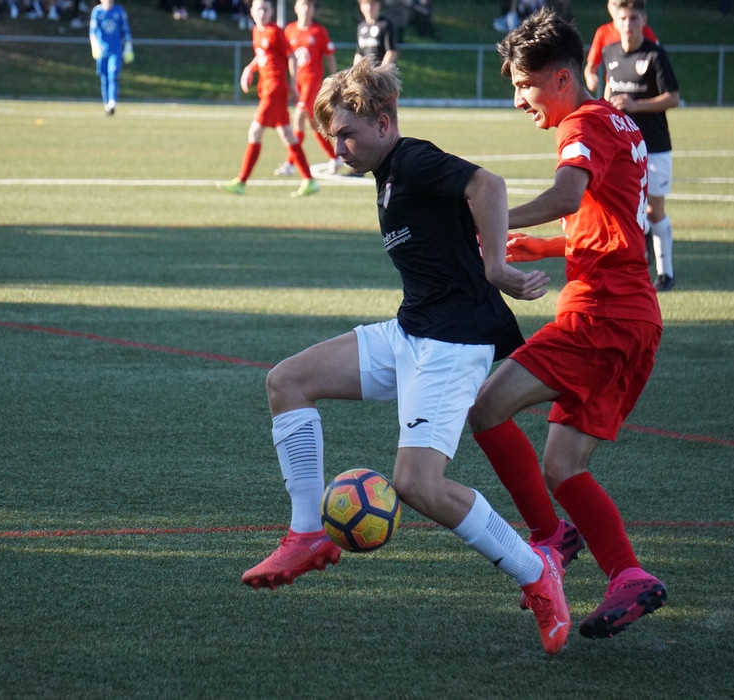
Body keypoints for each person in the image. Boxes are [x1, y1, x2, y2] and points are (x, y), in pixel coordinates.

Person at [242, 56, 571, 656]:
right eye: (332, 137)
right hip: (412, 332)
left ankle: (537, 572)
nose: (338, 147)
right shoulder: (388, 172)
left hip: (452, 344)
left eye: (347, 133)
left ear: (384, 122)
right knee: (287, 382)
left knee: (417, 484)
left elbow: (488, 185)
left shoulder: (411, 158)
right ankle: (307, 534)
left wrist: (496, 268)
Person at [468, 7, 667, 640]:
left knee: (486, 408)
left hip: (601, 316)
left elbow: (567, 196)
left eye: (524, 85)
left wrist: (492, 221)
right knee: (563, 466)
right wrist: (547, 247)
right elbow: (612, 224)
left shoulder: (582, 122)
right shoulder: (617, 120)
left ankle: (549, 537)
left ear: (561, 77)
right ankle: (629, 575)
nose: (518, 100)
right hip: (633, 316)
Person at [603, 0, 679, 292]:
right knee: (625, 208)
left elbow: (673, 97)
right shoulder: (609, 52)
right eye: (623, 18)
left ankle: (665, 273)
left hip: (654, 145)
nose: (628, 24)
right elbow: (609, 91)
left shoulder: (655, 54)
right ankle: (634, 269)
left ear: (643, 20)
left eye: (634, 18)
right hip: (621, 147)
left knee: (653, 209)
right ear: (616, 20)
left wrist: (636, 105)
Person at [217, 0, 319, 198]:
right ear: (252, 12)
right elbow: (263, 55)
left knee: (255, 131)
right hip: (267, 88)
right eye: (259, 9)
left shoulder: (274, 32)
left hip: (275, 89)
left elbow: (291, 56)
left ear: (271, 12)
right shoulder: (257, 30)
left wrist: (292, 84)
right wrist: (249, 69)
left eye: (266, 9)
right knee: (287, 135)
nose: (262, 13)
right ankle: (309, 180)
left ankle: (241, 181)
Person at [274, 0, 341, 177]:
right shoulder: (289, 30)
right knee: (313, 124)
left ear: (313, 10)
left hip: (312, 81)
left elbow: (330, 57)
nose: (305, 8)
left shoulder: (319, 31)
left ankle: (290, 163)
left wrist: (334, 80)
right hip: (296, 82)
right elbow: (284, 56)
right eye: (302, 4)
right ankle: (335, 158)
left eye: (309, 5)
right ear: (296, 8)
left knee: (298, 118)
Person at [583, 0, 657, 93]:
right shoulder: (603, 33)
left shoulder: (643, 31)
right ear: (609, 7)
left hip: (640, 89)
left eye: (621, 3)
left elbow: (657, 61)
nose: (617, 7)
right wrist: (590, 77)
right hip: (614, 88)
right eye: (614, 4)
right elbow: (591, 67)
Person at [89, 0, 133, 116]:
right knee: (104, 77)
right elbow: (93, 31)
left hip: (115, 50)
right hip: (102, 51)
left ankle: (112, 102)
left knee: (113, 74)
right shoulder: (97, 11)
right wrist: (94, 45)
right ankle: (106, 104)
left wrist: (128, 46)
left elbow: (125, 30)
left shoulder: (119, 11)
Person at [354, 0, 397, 66]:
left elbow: (391, 51)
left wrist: (382, 70)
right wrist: (355, 70)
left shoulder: (385, 24)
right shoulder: (361, 26)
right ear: (361, 6)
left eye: (373, 4)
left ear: (379, 5)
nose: (369, 8)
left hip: (382, 70)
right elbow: (359, 53)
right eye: (366, 4)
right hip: (367, 71)